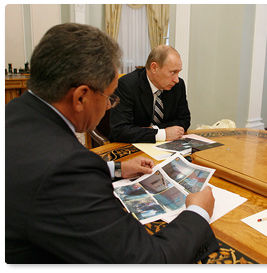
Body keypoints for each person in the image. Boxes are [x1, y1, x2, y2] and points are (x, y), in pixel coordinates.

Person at [5, 23, 218, 263]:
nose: (109, 106)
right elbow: (147, 260)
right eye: (109, 97)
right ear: (80, 97)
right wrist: (198, 211)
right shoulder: (67, 169)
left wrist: (114, 168)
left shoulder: (13, 113)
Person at [109, 45, 190, 143]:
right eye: (173, 72)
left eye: (178, 72)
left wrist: (151, 130)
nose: (176, 80)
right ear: (154, 67)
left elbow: (184, 120)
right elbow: (120, 130)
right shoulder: (127, 85)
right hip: (133, 148)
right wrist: (163, 133)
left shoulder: (178, 85)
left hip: (166, 146)